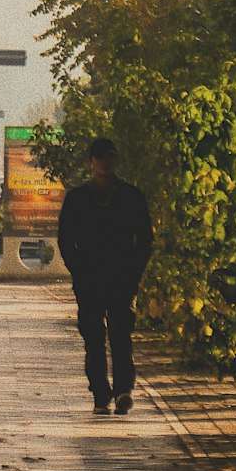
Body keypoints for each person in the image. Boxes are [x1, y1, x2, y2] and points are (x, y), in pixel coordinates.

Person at [57, 136, 154, 415]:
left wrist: (134, 272)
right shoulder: (77, 198)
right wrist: (78, 270)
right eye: (99, 157)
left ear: (116, 160)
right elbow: (65, 240)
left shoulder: (131, 196)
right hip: (89, 279)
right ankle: (100, 393)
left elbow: (145, 239)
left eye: (109, 157)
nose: (104, 162)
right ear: (91, 162)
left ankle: (124, 390)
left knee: (121, 336)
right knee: (94, 339)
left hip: (122, 278)